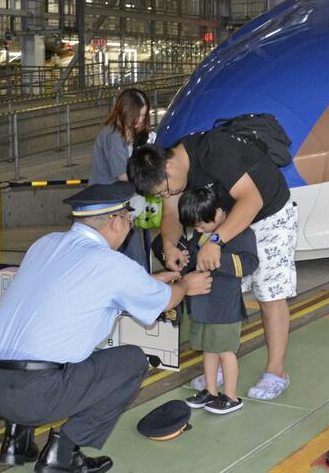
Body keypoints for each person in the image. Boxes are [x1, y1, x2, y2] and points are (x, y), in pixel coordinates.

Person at [0, 181, 212, 473]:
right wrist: (185, 284)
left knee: (36, 347)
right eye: (129, 219)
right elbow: (167, 301)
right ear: (116, 221)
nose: (129, 226)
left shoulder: (46, 243)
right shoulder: (110, 264)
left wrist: (151, 280)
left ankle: (16, 441)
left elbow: (79, 288)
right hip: (30, 396)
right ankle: (62, 455)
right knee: (130, 362)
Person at [128, 128, 297, 401]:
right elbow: (171, 216)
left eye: (166, 189)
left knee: (270, 292)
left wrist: (215, 242)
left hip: (267, 212)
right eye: (161, 194)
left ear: (169, 166)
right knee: (217, 288)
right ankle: (218, 362)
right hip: (222, 221)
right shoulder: (171, 175)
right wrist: (170, 246)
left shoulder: (214, 150)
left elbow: (251, 200)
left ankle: (275, 372)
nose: (168, 194)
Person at [179, 186, 259, 415]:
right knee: (208, 350)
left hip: (224, 306)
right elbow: (194, 259)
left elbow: (250, 263)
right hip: (202, 304)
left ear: (218, 212)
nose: (198, 229)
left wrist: (218, 259)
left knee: (225, 351)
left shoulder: (241, 232)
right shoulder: (200, 233)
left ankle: (231, 396)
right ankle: (211, 391)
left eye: (202, 223)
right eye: (194, 225)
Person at [90, 88, 153, 271]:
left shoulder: (125, 132)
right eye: (139, 115)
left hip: (116, 202)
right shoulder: (113, 136)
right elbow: (122, 176)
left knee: (128, 256)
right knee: (133, 258)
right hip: (109, 205)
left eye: (144, 115)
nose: (141, 120)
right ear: (128, 112)